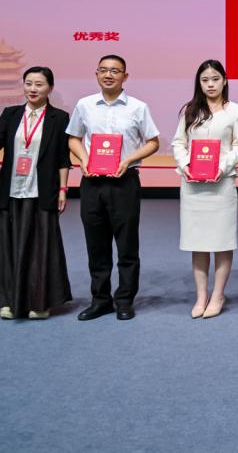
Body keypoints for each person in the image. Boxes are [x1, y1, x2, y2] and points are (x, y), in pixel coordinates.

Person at [67, 55, 160, 321]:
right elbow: (73, 138)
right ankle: (100, 300)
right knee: (96, 245)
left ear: (125, 76)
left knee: (127, 245)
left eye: (115, 71)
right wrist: (84, 159)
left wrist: (129, 159)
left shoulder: (138, 107)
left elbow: (153, 142)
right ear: (96, 74)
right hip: (92, 183)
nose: (109, 75)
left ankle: (125, 300)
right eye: (104, 70)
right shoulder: (84, 105)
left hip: (124, 182)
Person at [0, 66, 72, 320]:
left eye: (39, 84)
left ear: (50, 88)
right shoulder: (11, 113)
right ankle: (10, 300)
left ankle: (39, 303)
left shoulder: (59, 118)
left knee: (41, 248)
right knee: (8, 246)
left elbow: (63, 158)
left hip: (42, 191)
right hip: (11, 191)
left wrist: (63, 189)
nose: (32, 89)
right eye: (28, 83)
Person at [171, 59, 238, 319]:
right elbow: (178, 143)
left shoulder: (236, 111)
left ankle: (218, 295)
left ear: (224, 81)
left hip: (221, 184)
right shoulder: (190, 110)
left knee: (222, 241)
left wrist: (221, 168)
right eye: (205, 80)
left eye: (215, 79)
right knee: (198, 242)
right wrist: (186, 165)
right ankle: (201, 295)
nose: (210, 84)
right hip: (193, 186)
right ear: (199, 83)